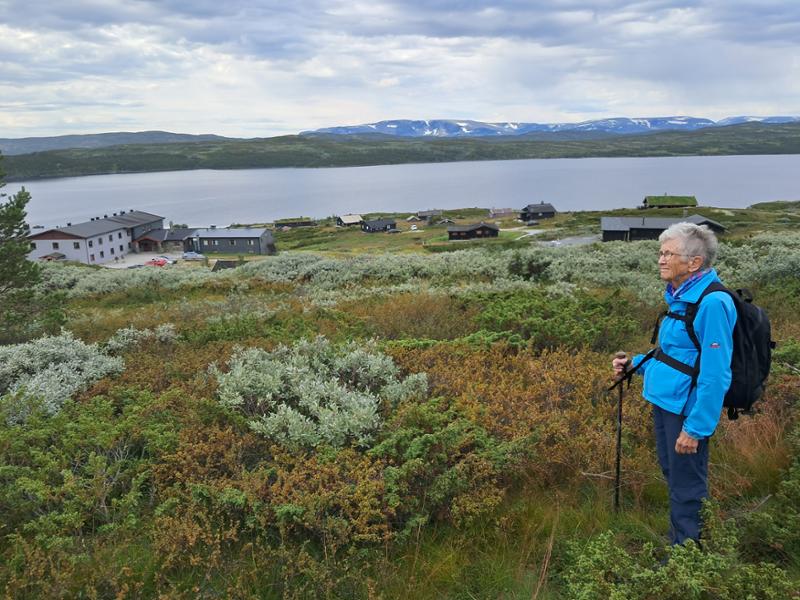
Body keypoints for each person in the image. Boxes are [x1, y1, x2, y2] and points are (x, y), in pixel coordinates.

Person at [612, 222, 736, 545]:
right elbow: (673, 355)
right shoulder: (680, 297)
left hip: (686, 410)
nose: (661, 260)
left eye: (669, 253)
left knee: (686, 485)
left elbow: (715, 375)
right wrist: (633, 366)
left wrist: (695, 428)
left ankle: (686, 558)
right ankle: (684, 539)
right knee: (675, 476)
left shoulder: (711, 304)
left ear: (694, 262)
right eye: (660, 252)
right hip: (666, 401)